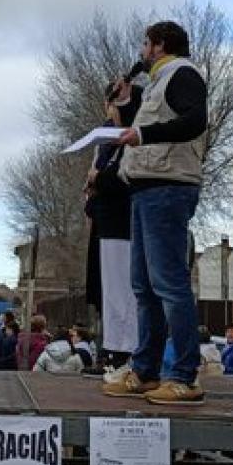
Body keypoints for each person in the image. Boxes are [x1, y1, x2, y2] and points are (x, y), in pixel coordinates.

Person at [102, 20, 208, 405]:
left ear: (160, 45)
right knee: (144, 287)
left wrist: (143, 133)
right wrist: (129, 104)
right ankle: (145, 371)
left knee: (168, 285)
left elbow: (194, 121)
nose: (141, 51)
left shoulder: (183, 73)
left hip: (168, 189)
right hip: (147, 188)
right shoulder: (158, 84)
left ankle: (183, 376)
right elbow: (143, 131)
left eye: (145, 44)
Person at [85, 70, 144, 373]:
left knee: (123, 287)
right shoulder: (106, 138)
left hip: (123, 219)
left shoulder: (135, 134)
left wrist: (100, 177)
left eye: (117, 105)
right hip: (105, 218)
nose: (111, 111)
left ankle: (125, 352)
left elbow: (127, 175)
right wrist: (93, 180)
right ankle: (111, 350)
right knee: (108, 288)